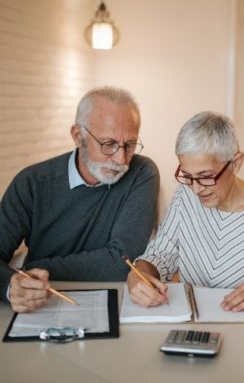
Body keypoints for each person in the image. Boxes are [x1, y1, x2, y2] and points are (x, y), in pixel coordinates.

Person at [0, 86, 160, 313]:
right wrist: (11, 286)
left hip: (116, 304)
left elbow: (121, 263)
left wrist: (34, 267)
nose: (121, 158)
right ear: (78, 136)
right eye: (108, 144)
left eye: (130, 144)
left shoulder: (142, 173)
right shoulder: (32, 182)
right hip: (42, 305)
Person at [127, 111, 244, 313]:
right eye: (187, 176)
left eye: (206, 176)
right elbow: (160, 254)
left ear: (236, 163)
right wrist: (138, 272)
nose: (196, 188)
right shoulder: (185, 195)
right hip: (190, 321)